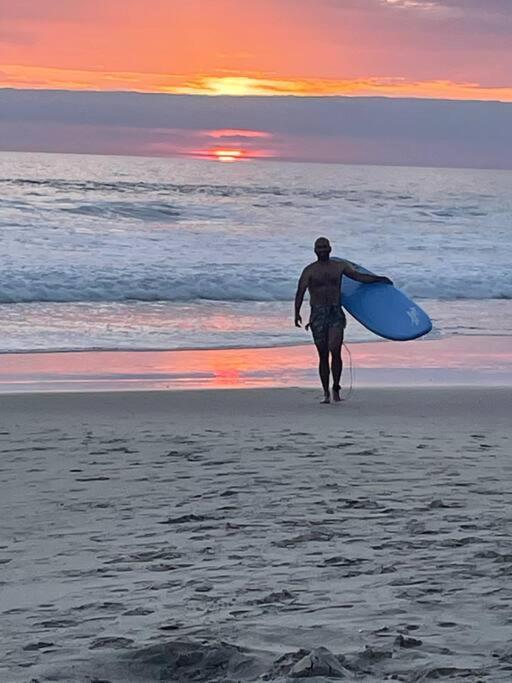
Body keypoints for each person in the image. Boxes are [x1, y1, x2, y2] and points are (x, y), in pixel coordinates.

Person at [294, 237, 392, 404]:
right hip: (317, 315)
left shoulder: (339, 267)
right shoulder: (309, 270)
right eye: (319, 247)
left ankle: (336, 388)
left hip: (335, 313)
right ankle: (326, 393)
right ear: (315, 250)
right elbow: (300, 292)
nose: (322, 249)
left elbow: (358, 277)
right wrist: (296, 313)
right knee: (323, 355)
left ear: (330, 249)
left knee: (335, 349)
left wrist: (378, 279)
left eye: (325, 247)